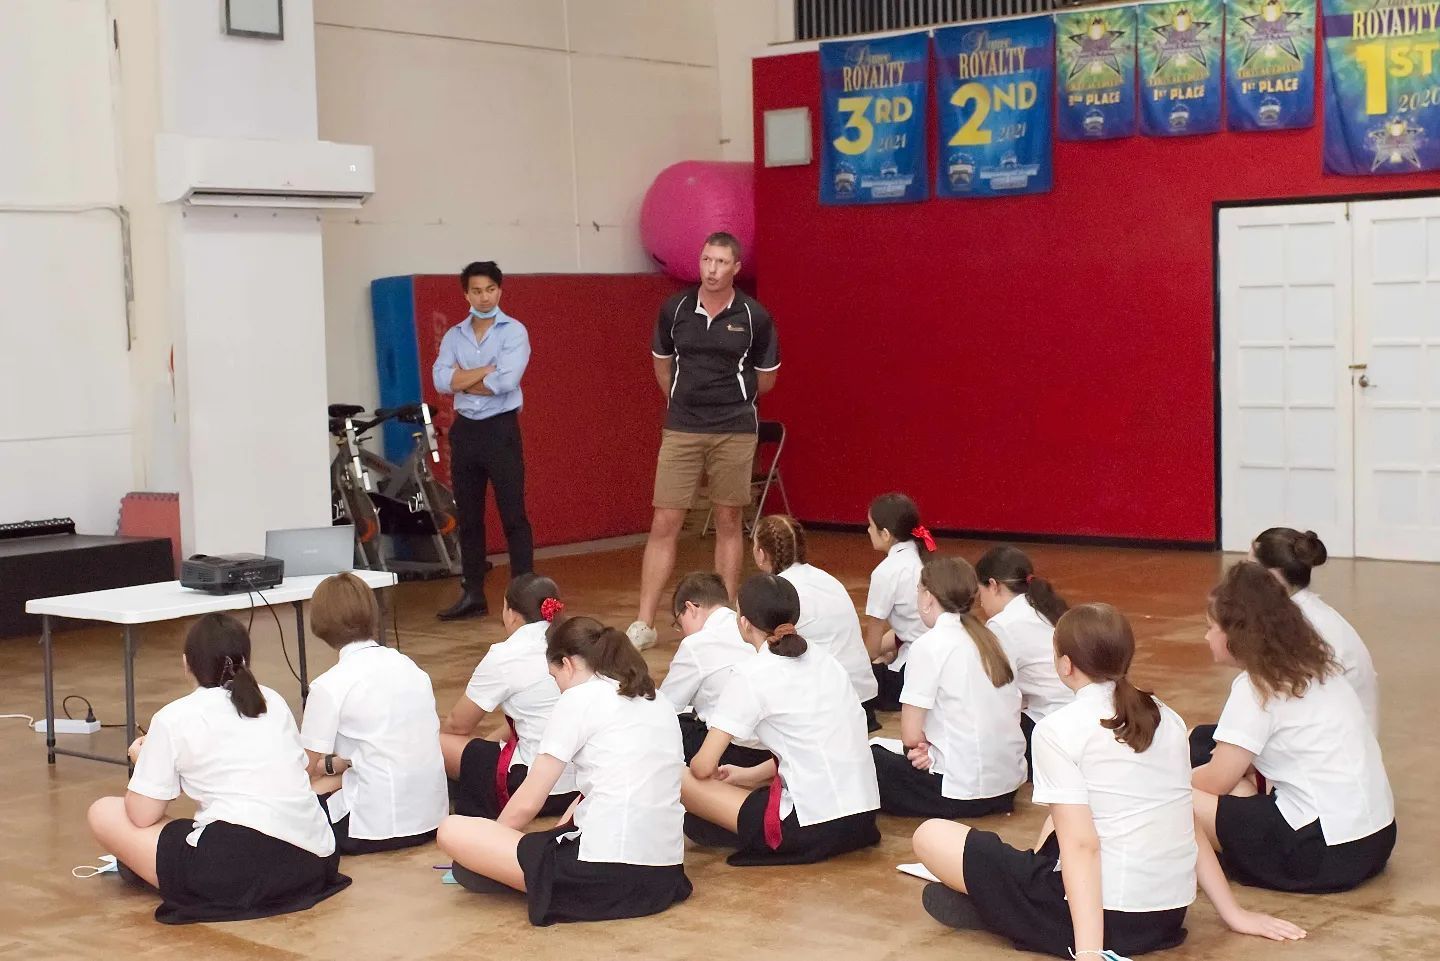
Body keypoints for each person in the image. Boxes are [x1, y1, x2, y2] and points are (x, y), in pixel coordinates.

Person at [912, 604, 1304, 958]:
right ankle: (1017, 905)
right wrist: (1233, 913)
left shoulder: (1057, 730)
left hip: (1109, 920)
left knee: (930, 835)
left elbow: (1082, 847)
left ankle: (1014, 909)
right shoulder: (1167, 718)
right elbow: (1184, 820)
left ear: (1065, 664)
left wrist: (1089, 954)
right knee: (1058, 820)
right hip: (1166, 917)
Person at [86, 614, 349, 924]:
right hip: (312, 861)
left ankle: (160, 867)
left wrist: (143, 763)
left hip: (237, 869)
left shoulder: (174, 717)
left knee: (103, 811)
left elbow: (142, 815)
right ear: (245, 661)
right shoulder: (273, 701)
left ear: (187, 664)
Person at [437, 617, 692, 926]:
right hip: (664, 875)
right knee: (529, 846)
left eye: (553, 675)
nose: (556, 686)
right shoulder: (656, 698)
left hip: (605, 875)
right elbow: (593, 793)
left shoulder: (578, 699)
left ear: (568, 664)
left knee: (452, 831)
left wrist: (490, 845)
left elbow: (528, 802)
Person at [1192, 562, 1396, 893]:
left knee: (1175, 797)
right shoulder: (1318, 666)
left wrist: (1169, 776)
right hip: (1376, 838)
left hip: (1322, 853)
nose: (1206, 636)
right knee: (1210, 749)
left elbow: (1216, 781)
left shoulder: (1255, 685)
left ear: (1235, 634)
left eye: (1211, 627)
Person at [626, 232, 780, 650]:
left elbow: (766, 379)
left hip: (734, 429)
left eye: (721, 262)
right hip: (682, 428)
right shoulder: (674, 309)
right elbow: (662, 367)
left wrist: (729, 398)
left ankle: (727, 617)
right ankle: (644, 622)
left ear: (735, 268)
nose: (711, 270)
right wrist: (683, 400)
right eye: (706, 260)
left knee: (729, 521)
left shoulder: (754, 316)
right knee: (665, 521)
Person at [681, 574, 881, 866]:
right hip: (862, 820)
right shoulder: (827, 661)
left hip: (809, 827)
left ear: (744, 622)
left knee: (677, 776)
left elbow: (702, 767)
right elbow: (817, 743)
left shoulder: (751, 673)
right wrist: (747, 776)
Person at [300, 573, 448, 853]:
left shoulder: (329, 685)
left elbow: (302, 769)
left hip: (374, 828)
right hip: (432, 818)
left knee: (298, 799)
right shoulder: (411, 667)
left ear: (320, 624)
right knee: (329, 777)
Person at [871, 557, 1026, 818]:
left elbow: (910, 736)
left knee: (868, 758)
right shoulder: (995, 639)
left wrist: (923, 750)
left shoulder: (929, 646)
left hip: (960, 793)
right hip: (1006, 786)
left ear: (928, 597)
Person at [432, 260, 535, 620]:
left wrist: (463, 378)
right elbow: (441, 380)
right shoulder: (454, 335)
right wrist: (482, 374)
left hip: (501, 428)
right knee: (469, 516)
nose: (485, 296)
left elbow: (506, 382)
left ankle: (526, 595)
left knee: (513, 514)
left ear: (500, 290)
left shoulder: (514, 332)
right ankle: (473, 593)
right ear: (466, 294)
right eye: (477, 290)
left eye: (490, 289)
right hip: (467, 431)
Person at [439, 573, 579, 820]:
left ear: (512, 613)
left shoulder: (506, 654)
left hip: (535, 788)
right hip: (580, 787)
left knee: (438, 741)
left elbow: (457, 724)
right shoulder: (577, 641)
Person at [751, 515, 878, 728]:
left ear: (761, 554)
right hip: (865, 702)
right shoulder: (827, 579)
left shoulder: (779, 591)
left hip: (831, 708)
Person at [1251, 527, 1378, 731]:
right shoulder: (1307, 613)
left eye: (1250, 566)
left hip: (1331, 745)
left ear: (1272, 575)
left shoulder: (1299, 627)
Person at [976, 544, 1074, 775]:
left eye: (980, 593)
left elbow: (996, 694)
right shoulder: (1044, 607)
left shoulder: (1003, 624)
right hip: (1076, 717)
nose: (980, 603)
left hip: (1052, 726)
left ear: (993, 585)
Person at [659, 571, 769, 767]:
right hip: (771, 750)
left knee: (670, 727)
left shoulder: (696, 644)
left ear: (691, 608)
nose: (682, 631)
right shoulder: (752, 626)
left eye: (679, 623)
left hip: (737, 751)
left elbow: (664, 707)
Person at [864, 492, 933, 712]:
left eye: (870, 526)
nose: (867, 531)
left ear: (885, 534)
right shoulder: (923, 558)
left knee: (855, 680)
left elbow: (872, 647)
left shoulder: (887, 572)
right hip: (938, 658)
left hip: (916, 674)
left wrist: (863, 664)